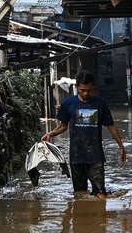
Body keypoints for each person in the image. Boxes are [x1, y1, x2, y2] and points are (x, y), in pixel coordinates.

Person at [42, 70, 126, 199]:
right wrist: (50, 134)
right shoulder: (68, 103)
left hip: (96, 156)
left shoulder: (100, 103)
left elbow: (111, 125)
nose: (86, 93)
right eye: (82, 90)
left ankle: (99, 218)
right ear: (76, 87)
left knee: (100, 194)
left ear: (93, 88)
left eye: (89, 90)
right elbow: (63, 126)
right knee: (80, 194)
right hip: (76, 156)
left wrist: (121, 146)